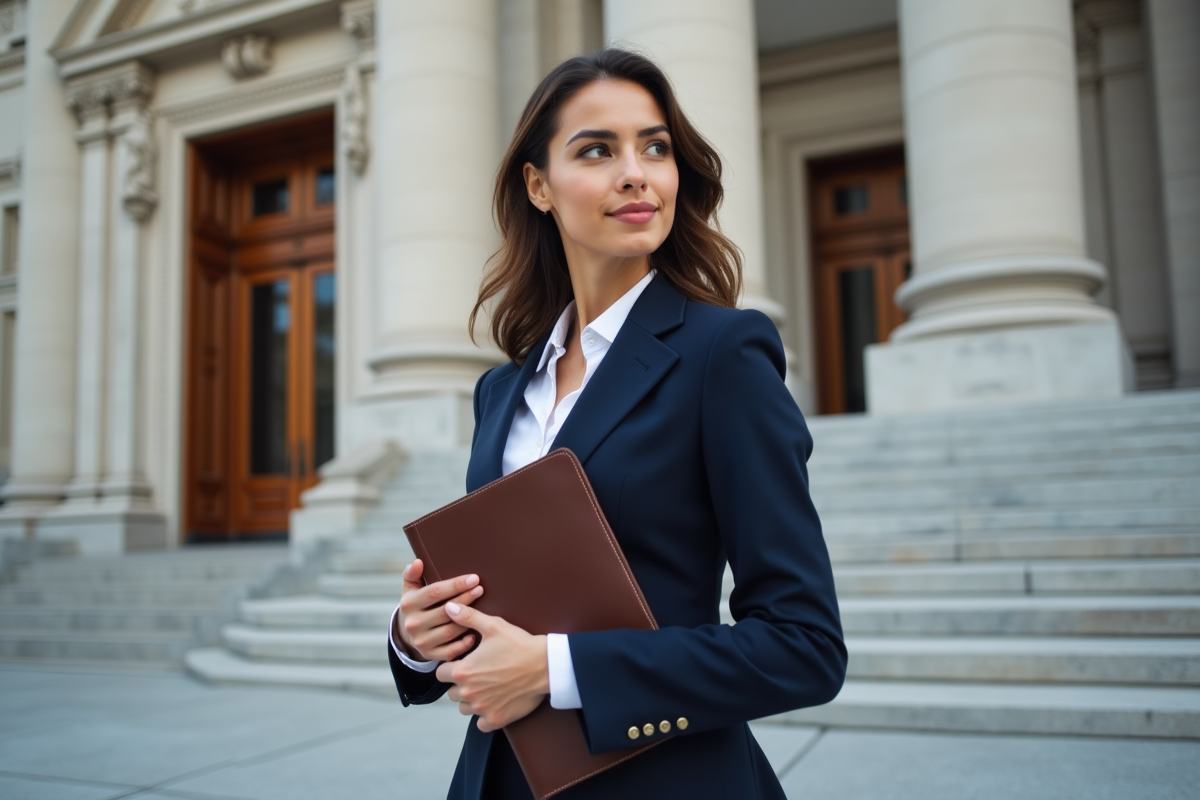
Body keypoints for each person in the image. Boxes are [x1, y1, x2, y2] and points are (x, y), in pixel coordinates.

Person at [386, 48, 846, 800]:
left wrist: (555, 669)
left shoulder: (723, 355)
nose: (636, 173)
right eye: (597, 150)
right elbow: (509, 602)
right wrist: (418, 636)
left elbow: (804, 646)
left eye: (655, 147)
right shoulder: (501, 390)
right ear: (538, 185)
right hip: (498, 778)